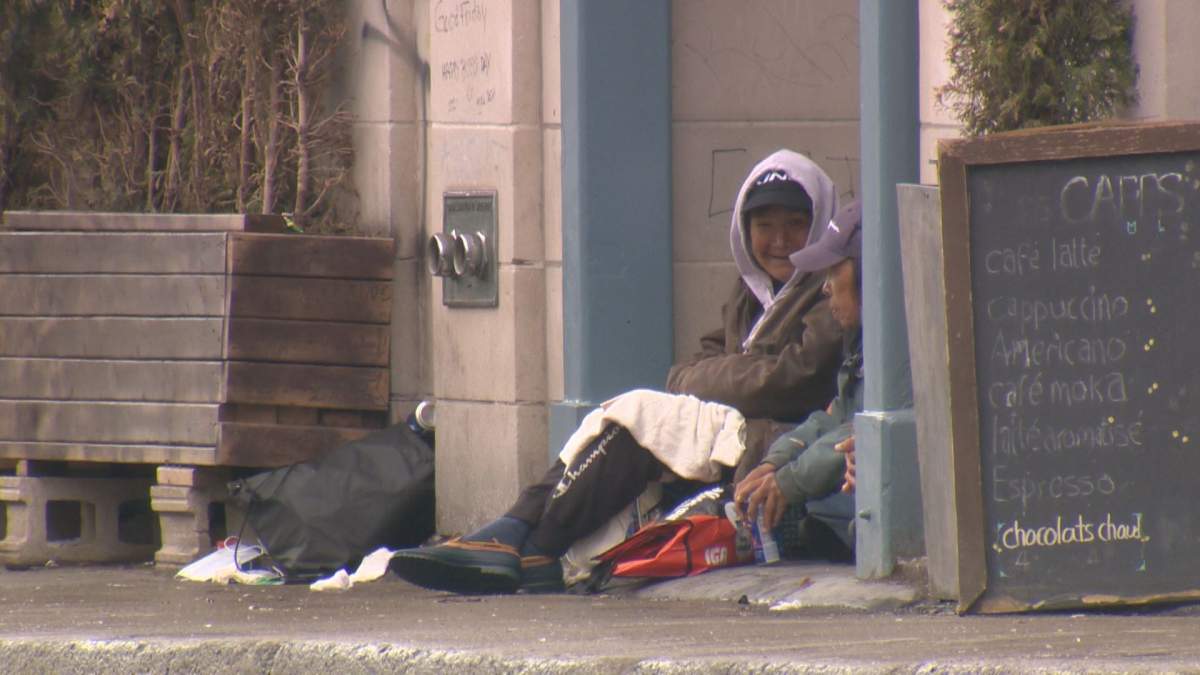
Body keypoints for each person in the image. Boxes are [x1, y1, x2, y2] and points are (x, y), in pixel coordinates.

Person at [390, 150, 845, 594]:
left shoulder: (827, 290)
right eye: (765, 226)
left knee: (637, 414)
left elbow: (795, 377)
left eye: (795, 225)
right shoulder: (751, 293)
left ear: (819, 224)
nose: (780, 240)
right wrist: (734, 374)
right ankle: (528, 545)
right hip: (731, 430)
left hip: (775, 439)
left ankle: (524, 538)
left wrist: (720, 378)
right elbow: (687, 370)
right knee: (621, 425)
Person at [733, 199, 864, 560]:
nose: (825, 288)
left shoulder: (895, 347)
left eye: (833, 273)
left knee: (831, 505)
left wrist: (788, 483)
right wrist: (773, 463)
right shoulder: (861, 341)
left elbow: (860, 428)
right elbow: (834, 416)